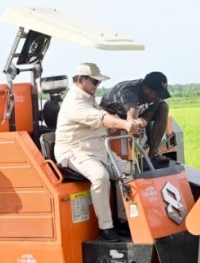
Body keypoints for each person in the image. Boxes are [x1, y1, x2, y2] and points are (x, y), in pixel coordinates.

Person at [54, 62, 146, 242]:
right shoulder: (74, 101)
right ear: (81, 80)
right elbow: (100, 118)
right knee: (100, 176)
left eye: (98, 83)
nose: (98, 86)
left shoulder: (89, 99)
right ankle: (106, 227)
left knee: (128, 172)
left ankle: (123, 220)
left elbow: (104, 122)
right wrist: (126, 124)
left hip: (97, 150)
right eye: (95, 82)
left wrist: (133, 123)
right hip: (74, 151)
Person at [100, 71, 171, 163]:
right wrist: (136, 126)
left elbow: (152, 108)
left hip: (136, 110)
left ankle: (153, 153)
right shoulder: (129, 91)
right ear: (146, 88)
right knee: (133, 128)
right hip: (115, 112)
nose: (159, 97)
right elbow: (131, 115)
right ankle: (133, 158)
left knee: (163, 107)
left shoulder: (154, 96)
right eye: (157, 94)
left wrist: (144, 121)